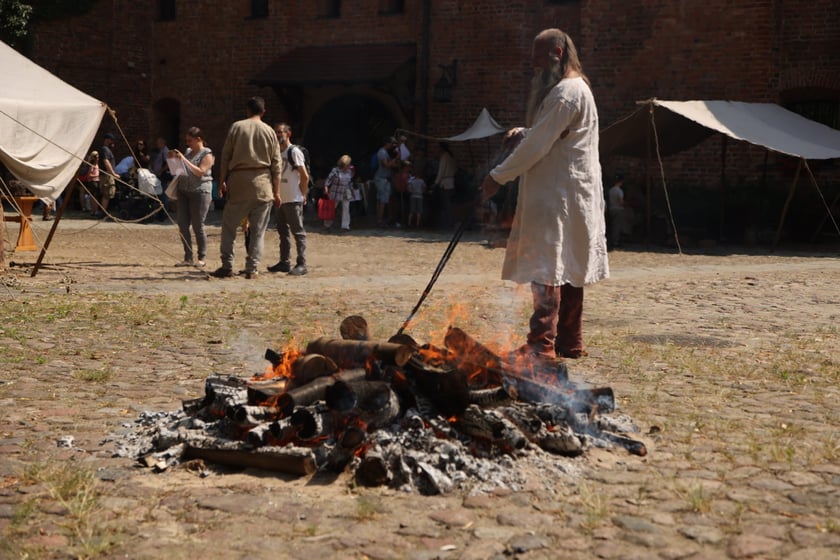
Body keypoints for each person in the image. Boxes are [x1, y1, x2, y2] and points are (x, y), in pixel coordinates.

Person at [480, 28, 609, 360]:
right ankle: (570, 341)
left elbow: (539, 145)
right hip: (569, 191)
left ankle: (542, 345)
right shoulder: (576, 90)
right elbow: (550, 134)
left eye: (539, 62)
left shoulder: (566, 93)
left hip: (558, 195)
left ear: (557, 53)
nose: (536, 69)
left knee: (547, 266)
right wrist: (522, 132)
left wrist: (498, 176)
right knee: (568, 265)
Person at [213, 96, 283, 280]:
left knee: (229, 227)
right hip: (263, 183)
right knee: (258, 231)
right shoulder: (269, 131)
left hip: (239, 180)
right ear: (263, 111)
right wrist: (276, 192)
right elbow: (277, 164)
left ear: (247, 110)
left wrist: (221, 181)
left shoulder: (237, 127)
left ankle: (227, 265)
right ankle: (252, 268)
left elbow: (226, 155)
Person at [267, 122, 309, 275]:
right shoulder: (276, 152)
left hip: (293, 198)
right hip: (280, 198)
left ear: (288, 134)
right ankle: (284, 261)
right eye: (276, 132)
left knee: (298, 232)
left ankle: (302, 263)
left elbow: (304, 175)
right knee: (282, 232)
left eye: (280, 132)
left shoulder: (294, 151)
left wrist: (303, 194)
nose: (278, 135)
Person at [171, 127, 214, 268]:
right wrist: (174, 162)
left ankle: (201, 257)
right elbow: (180, 171)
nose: (187, 143)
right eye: (186, 141)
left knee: (198, 225)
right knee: (183, 225)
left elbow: (200, 172)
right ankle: (188, 257)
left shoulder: (207, 154)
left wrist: (183, 159)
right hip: (183, 191)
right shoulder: (188, 152)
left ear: (198, 139)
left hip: (200, 192)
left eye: (190, 140)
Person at [322, 154, 354, 232]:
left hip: (346, 192)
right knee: (332, 209)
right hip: (335, 192)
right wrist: (326, 188)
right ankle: (327, 225)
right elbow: (328, 180)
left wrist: (352, 191)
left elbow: (350, 181)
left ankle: (345, 226)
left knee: (346, 209)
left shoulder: (350, 171)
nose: (348, 166)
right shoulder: (335, 170)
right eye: (347, 164)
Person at [373, 136, 399, 227]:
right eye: (391, 143)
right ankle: (379, 221)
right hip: (382, 179)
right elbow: (386, 165)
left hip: (384, 179)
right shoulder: (382, 152)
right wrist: (396, 158)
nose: (392, 145)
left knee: (381, 200)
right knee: (382, 200)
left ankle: (380, 220)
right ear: (387, 143)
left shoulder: (385, 153)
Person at [93, 132, 118, 219]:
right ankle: (103, 213)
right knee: (107, 193)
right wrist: (113, 173)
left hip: (106, 174)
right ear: (107, 140)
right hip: (107, 175)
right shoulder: (105, 149)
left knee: (106, 193)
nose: (113, 142)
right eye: (111, 140)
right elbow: (106, 162)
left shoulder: (105, 149)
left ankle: (102, 212)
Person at [434, 142, 457, 228]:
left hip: (445, 182)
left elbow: (441, 171)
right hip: (451, 181)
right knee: (448, 204)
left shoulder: (444, 156)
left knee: (446, 204)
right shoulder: (451, 156)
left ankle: (448, 223)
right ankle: (449, 222)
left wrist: (436, 183)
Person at [78, 151, 100, 215]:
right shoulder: (92, 165)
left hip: (92, 181)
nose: (98, 158)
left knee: (92, 196)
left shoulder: (94, 164)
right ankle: (94, 211)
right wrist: (97, 176)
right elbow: (89, 175)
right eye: (97, 157)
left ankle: (92, 210)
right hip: (93, 181)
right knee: (93, 197)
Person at [607, 173, 625, 249]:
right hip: (618, 210)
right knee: (616, 226)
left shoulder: (611, 190)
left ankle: (611, 240)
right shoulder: (619, 191)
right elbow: (621, 202)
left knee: (612, 225)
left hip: (611, 209)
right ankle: (615, 241)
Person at [406, 162, 426, 228]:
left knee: (411, 211)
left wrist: (412, 191)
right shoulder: (422, 181)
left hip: (413, 196)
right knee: (419, 211)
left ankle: (409, 223)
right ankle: (417, 224)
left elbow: (409, 188)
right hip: (420, 196)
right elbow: (423, 188)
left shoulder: (411, 181)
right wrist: (421, 192)